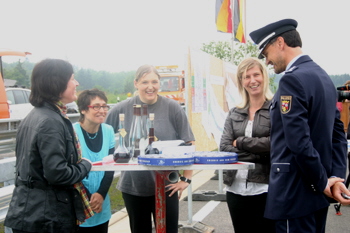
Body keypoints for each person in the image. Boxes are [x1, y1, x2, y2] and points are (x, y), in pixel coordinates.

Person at [250, 19, 348, 232]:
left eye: (266, 54)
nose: (267, 62)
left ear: (280, 43)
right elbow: (338, 134)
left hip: (293, 195)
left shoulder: (291, 80)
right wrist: (335, 177)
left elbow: (298, 141)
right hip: (317, 197)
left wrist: (323, 182)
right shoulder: (323, 77)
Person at [4, 58, 92, 233]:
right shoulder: (50, 121)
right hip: (47, 218)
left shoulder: (35, 116)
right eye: (72, 78)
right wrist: (84, 166)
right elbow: (57, 174)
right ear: (57, 83)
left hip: (31, 212)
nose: (77, 83)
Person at [105, 64, 195, 233]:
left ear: (159, 83)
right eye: (145, 82)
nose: (150, 86)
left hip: (167, 185)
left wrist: (186, 179)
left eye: (154, 81)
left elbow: (189, 143)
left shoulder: (172, 107)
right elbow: (104, 136)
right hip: (133, 186)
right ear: (136, 83)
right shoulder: (122, 108)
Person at [220, 57, 275, 233]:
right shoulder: (234, 113)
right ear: (241, 82)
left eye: (256, 75)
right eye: (246, 77)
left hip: (265, 188)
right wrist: (261, 154)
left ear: (264, 77)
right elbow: (225, 147)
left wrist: (242, 142)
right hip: (235, 188)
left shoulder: (275, 110)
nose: (252, 80)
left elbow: (275, 144)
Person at [73, 89, 115, 233]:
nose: (102, 110)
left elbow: (110, 165)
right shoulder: (72, 132)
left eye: (104, 106)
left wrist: (101, 194)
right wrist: (90, 198)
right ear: (83, 110)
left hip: (102, 202)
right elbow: (70, 170)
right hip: (79, 202)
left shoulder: (108, 131)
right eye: (96, 106)